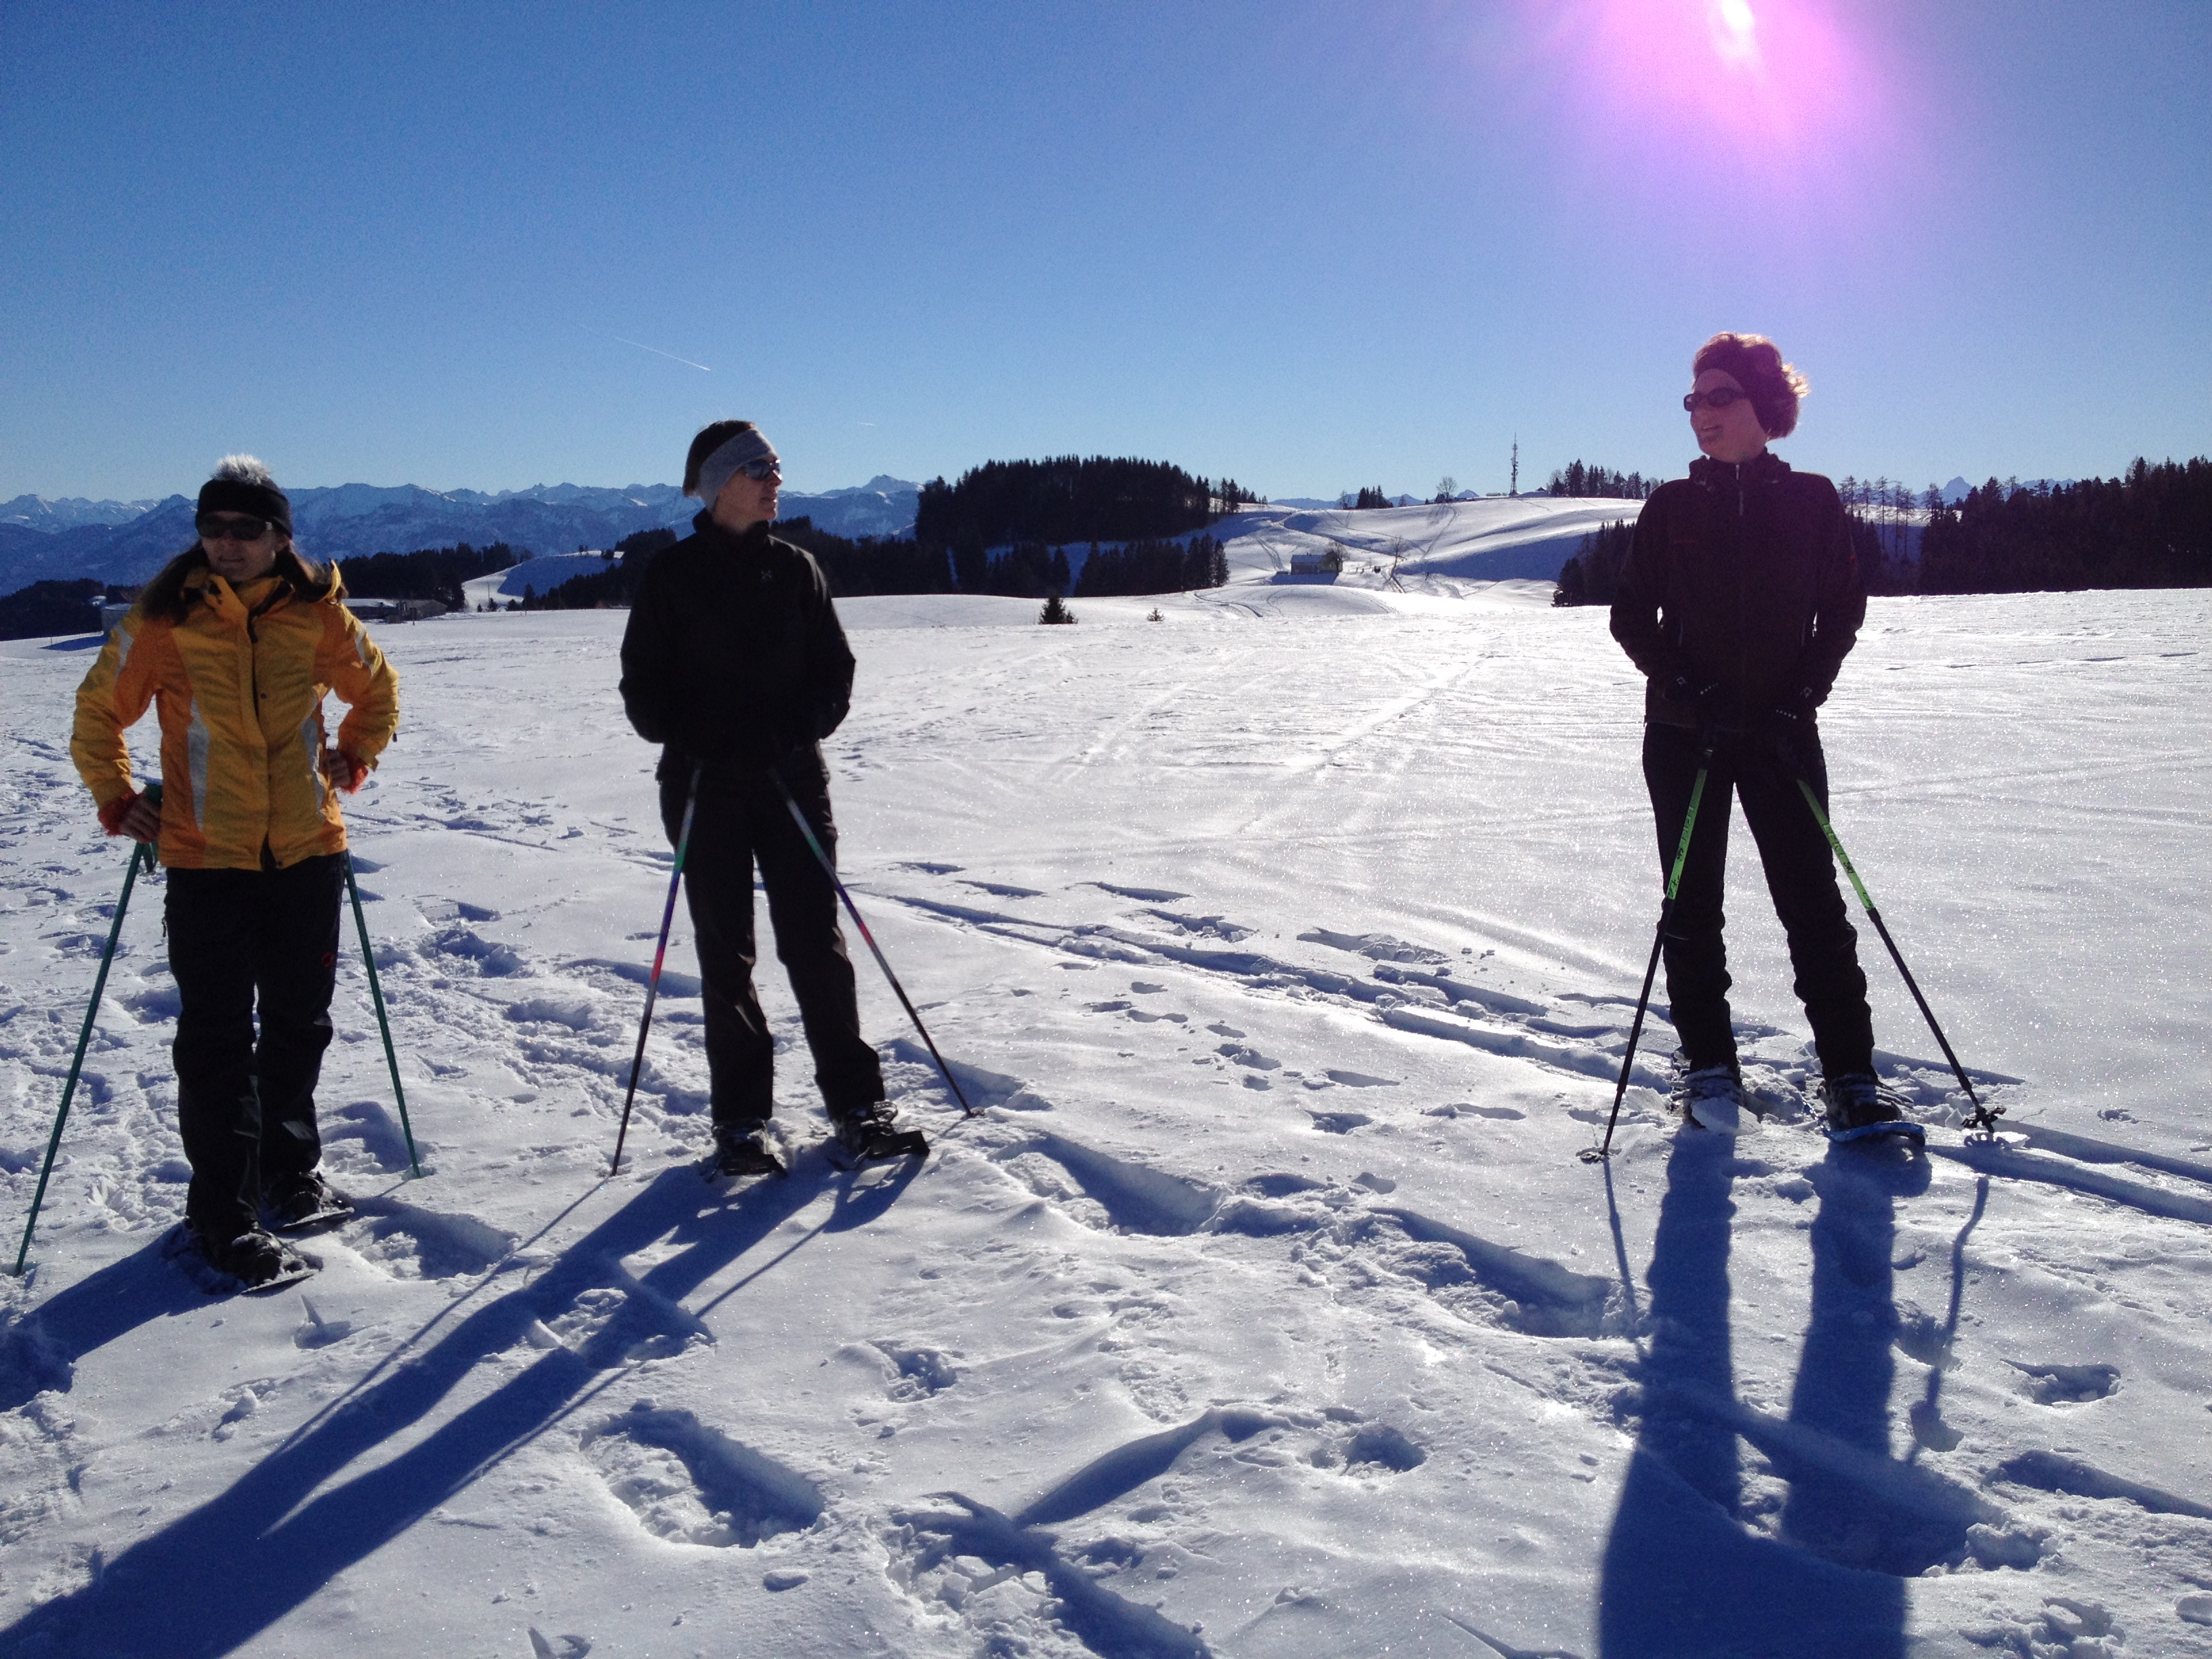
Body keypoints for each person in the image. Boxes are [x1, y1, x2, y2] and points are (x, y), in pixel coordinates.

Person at [71, 455, 401, 1286]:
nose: (226, 543)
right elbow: (97, 712)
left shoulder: (318, 616)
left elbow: (379, 689)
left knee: (300, 1020)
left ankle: (288, 1174)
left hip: (305, 850)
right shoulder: (164, 621)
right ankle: (222, 1216)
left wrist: (352, 756)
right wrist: (117, 797)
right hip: (206, 856)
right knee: (217, 1038)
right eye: (212, 528)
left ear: (280, 537)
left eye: (245, 529)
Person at [1609, 333, 1908, 1139]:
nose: (1701, 414)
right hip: (1685, 736)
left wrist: (1800, 697)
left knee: (1814, 905)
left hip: (1781, 734)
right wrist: (1689, 691)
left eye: (1719, 397)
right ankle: (1708, 1067)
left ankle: (1850, 1076)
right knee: (1690, 904)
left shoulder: (1812, 500)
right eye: (1694, 400)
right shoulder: (1673, 507)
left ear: (1763, 407)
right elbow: (1630, 615)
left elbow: (1843, 608)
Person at [618, 420, 920, 1176]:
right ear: (720, 483)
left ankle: (857, 1105)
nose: (774, 480)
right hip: (702, 789)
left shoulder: (796, 571)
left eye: (777, 467)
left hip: (791, 782)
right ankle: (743, 1122)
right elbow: (643, 694)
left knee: (816, 945)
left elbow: (835, 676)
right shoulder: (671, 576)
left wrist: (787, 734)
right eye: (758, 468)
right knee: (727, 956)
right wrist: (703, 736)